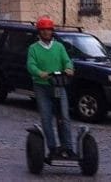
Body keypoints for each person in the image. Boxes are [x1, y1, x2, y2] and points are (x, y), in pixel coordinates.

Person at [27, 16, 76, 160]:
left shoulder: (59, 47)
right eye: (43, 30)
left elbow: (67, 61)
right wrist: (39, 73)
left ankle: (68, 147)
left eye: (48, 30)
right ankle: (53, 148)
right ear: (39, 32)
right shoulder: (34, 48)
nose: (46, 33)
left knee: (64, 118)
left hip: (59, 85)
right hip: (42, 87)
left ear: (52, 31)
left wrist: (69, 68)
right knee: (46, 118)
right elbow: (31, 65)